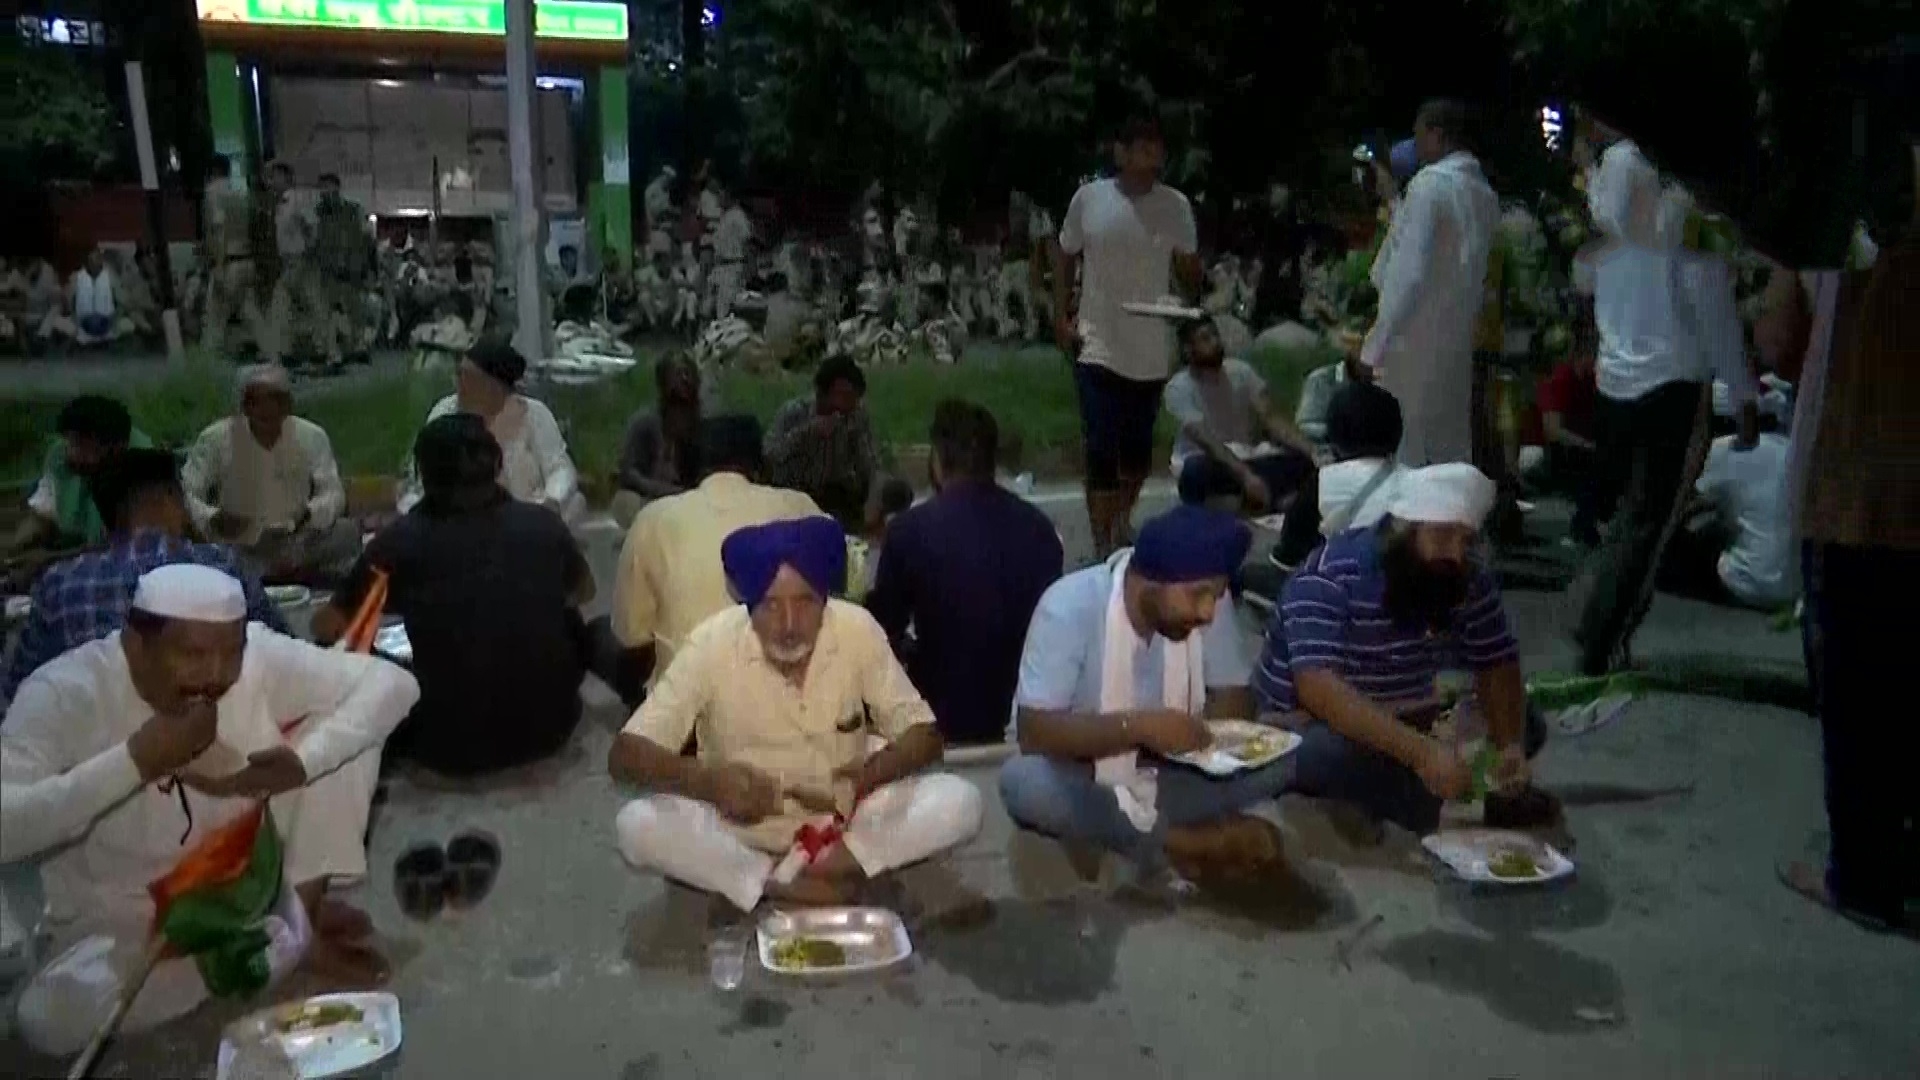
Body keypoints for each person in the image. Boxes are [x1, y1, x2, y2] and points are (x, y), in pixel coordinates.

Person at [1, 563, 418, 1055]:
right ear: (136, 645)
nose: (217, 675)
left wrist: (303, 763)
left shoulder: (258, 657)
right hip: (123, 916)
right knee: (48, 1019)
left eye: (230, 653)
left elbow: (391, 684)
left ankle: (291, 928)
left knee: (346, 735)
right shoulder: (63, 692)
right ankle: (263, 949)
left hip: (239, 873)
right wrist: (136, 761)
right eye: (194, 655)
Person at [609, 516, 984, 909]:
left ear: (825, 597)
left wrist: (873, 774)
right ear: (747, 602)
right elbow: (625, 755)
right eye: (771, 605)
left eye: (805, 602)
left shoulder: (857, 630)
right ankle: (771, 878)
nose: (789, 625)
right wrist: (706, 782)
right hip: (739, 835)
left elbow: (924, 734)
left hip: (847, 828)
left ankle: (828, 868)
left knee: (961, 802)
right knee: (636, 825)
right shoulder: (711, 644)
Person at [1775, 100, 1918, 934]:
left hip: (1864, 486)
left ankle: (1861, 875)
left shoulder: (1850, 200)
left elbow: (1779, 341)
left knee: (1860, 693)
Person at [998, 505, 1291, 884]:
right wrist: (1139, 729)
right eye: (1197, 595)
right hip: (1084, 774)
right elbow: (1035, 733)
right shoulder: (1069, 606)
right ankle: (1183, 841)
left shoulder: (1207, 611)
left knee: (1285, 759)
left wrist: (1212, 739)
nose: (1207, 612)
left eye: (1215, 596)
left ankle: (1129, 833)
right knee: (1024, 782)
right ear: (1150, 582)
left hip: (1171, 773)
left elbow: (1235, 699)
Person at [1254, 464, 1550, 838]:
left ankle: (1423, 786)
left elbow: (1497, 660)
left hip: (1411, 713)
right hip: (1315, 723)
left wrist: (1509, 746)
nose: (1456, 554)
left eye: (1466, 540)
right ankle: (1423, 797)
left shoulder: (1465, 574)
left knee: (1526, 723)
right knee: (1320, 756)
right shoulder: (1329, 577)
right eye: (1443, 537)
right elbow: (1318, 688)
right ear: (1402, 530)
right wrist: (1422, 755)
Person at [1567, 136, 1757, 676]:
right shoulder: (1686, 225)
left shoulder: (1608, 236)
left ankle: (1594, 615)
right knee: (1651, 518)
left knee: (1627, 511)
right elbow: (1716, 316)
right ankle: (1603, 636)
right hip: (1670, 384)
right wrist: (1742, 395)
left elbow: (1586, 287)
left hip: (1615, 382)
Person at [313, 415, 591, 777]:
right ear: (499, 464)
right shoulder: (542, 524)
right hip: (552, 727)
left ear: (423, 474)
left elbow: (330, 627)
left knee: (333, 652)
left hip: (446, 743)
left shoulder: (398, 543)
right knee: (570, 620)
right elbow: (585, 591)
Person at [3, 449, 286, 706]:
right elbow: (284, 659)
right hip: (216, 743)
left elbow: (16, 695)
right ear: (171, 499)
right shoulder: (223, 565)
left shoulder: (60, 584)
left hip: (94, 753)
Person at [867, 400, 1063, 746]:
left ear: (937, 460)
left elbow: (884, 632)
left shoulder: (911, 530)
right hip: (1027, 705)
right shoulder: (1039, 528)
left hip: (943, 713)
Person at [1052, 114, 1203, 558]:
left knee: (1137, 453)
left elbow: (1189, 274)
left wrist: (1191, 274)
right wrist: (1061, 315)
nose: (1148, 158)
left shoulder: (1175, 206)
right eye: (1139, 148)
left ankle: (1121, 518)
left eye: (1155, 149)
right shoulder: (1090, 199)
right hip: (1098, 340)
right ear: (1120, 152)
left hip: (1150, 343)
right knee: (1100, 445)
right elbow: (1064, 254)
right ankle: (1103, 544)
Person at [610, 416, 823, 694]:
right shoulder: (800, 506)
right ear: (760, 464)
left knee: (608, 636)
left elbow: (632, 641)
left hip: (691, 714)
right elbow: (846, 597)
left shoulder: (653, 519)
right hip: (792, 705)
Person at [1358, 101, 1499, 468]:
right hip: (1456, 336)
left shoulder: (1430, 186)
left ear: (1437, 135)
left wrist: (1375, 344)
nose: (1415, 145)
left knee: (1408, 448)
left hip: (1413, 339)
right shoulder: (1483, 193)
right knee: (1449, 445)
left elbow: (1409, 273)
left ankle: (1409, 523)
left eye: (1419, 135)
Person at [181, 364, 359, 584]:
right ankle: (270, 575)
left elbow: (333, 492)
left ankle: (283, 571)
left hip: (297, 539)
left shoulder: (312, 436)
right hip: (239, 543)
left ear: (288, 405)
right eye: (256, 401)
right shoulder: (215, 439)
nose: (266, 409)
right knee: (202, 553)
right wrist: (213, 518)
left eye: (275, 400)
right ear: (244, 406)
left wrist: (310, 515)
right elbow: (185, 493)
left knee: (347, 532)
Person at [398, 337, 585, 525]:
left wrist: (551, 500)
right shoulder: (445, 411)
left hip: (525, 514)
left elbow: (559, 467)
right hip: (458, 517)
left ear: (493, 385)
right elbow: (422, 475)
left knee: (575, 504)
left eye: (467, 377)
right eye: (459, 374)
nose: (459, 383)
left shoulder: (534, 413)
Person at [1164, 315, 1318, 515]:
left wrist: (1312, 451)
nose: (1215, 342)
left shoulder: (1241, 371)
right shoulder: (1179, 387)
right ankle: (1256, 499)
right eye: (1205, 338)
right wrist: (1245, 476)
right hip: (1208, 460)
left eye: (1215, 335)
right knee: (1194, 472)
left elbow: (1270, 417)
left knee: (1302, 462)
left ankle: (1248, 501)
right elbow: (1206, 440)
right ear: (1188, 349)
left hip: (1245, 457)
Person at [1660, 418, 1796, 609]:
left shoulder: (1727, 448)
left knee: (1685, 542)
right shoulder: (1792, 452)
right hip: (1794, 589)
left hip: (1746, 585)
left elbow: (1681, 506)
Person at [5, 395, 151, 558]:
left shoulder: (142, 468)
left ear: (114, 447)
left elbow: (124, 545)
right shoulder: (62, 458)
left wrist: (47, 559)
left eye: (82, 446)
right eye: (71, 443)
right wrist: (14, 552)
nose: (72, 453)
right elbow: (42, 513)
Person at [764, 355, 882, 527]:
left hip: (834, 493)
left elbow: (871, 465)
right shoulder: (795, 413)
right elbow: (770, 455)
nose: (849, 404)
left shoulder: (855, 416)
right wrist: (806, 433)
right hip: (794, 492)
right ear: (822, 394)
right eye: (843, 396)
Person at [612, 353, 709, 528]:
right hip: (645, 497)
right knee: (629, 504)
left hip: (688, 498)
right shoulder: (643, 423)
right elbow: (628, 473)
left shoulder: (702, 426)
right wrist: (662, 491)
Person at [1533, 317, 1603, 545]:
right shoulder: (1561, 378)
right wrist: (1589, 446)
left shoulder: (1593, 381)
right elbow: (1553, 431)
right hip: (1558, 453)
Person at [48, 248, 133, 348]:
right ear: (86, 262)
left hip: (108, 325)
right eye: (91, 260)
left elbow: (123, 300)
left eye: (97, 259)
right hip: (81, 326)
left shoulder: (111, 276)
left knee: (128, 324)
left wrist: (115, 317)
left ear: (101, 260)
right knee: (57, 322)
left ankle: (107, 342)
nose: (94, 263)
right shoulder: (76, 277)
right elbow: (68, 302)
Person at [711, 191, 752, 318]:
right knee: (715, 305)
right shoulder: (724, 215)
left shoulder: (738, 215)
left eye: (721, 196)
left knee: (727, 307)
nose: (719, 199)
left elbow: (746, 240)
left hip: (732, 265)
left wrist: (747, 266)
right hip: (720, 266)